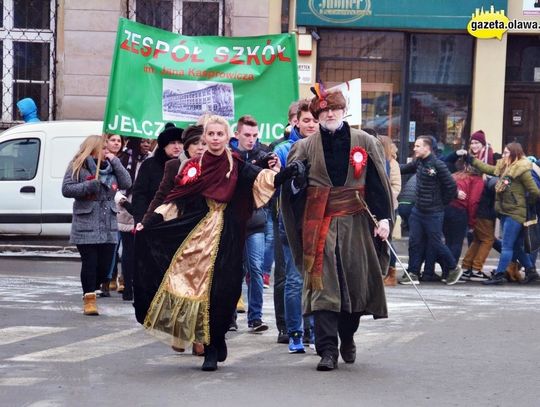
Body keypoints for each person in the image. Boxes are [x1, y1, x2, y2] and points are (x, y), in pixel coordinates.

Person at [133, 115, 303, 371]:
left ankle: (219, 336)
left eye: (219, 134)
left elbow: (260, 179)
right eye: (210, 135)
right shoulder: (194, 166)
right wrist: (150, 221)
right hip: (196, 238)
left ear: (227, 137)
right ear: (204, 138)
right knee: (198, 290)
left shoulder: (235, 164)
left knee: (226, 290)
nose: (214, 139)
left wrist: (286, 173)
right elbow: (176, 198)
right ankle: (208, 346)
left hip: (229, 235)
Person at [281, 88, 394, 371]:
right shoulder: (306, 146)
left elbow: (378, 185)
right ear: (317, 116)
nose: (329, 114)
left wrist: (384, 220)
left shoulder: (366, 142)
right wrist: (296, 180)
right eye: (322, 111)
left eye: (334, 109)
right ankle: (327, 351)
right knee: (324, 289)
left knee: (353, 286)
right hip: (319, 224)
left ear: (344, 112)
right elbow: (294, 192)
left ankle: (348, 336)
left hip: (356, 223)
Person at [61, 135, 131, 315]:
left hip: (108, 223)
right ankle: (89, 299)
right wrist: (88, 185)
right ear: (93, 149)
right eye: (104, 149)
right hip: (87, 221)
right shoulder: (78, 165)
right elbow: (67, 189)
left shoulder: (110, 167)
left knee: (105, 266)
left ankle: (97, 284)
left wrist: (115, 162)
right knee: (90, 263)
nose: (106, 151)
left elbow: (126, 183)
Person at [274, 99, 319, 353]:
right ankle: (295, 333)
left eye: (315, 120)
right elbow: (277, 185)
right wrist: (292, 176)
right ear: (296, 122)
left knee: (316, 279)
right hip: (291, 222)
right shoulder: (284, 148)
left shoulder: (325, 146)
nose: (311, 125)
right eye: (306, 120)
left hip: (320, 221)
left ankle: (312, 329)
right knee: (294, 279)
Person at [468, 142, 540, 284]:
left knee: (507, 246)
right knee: (515, 246)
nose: (503, 155)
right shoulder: (505, 167)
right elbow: (489, 169)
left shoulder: (522, 170)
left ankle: (499, 275)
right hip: (506, 212)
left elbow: (535, 192)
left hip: (515, 213)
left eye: (506, 152)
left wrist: (526, 204)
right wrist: (472, 160)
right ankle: (531, 272)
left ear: (514, 154)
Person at [399, 136, 462, 285]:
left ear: (427, 148)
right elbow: (402, 169)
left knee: (436, 243)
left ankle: (453, 268)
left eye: (417, 146)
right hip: (417, 211)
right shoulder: (419, 163)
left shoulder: (438, 165)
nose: (414, 149)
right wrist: (387, 165)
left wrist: (441, 203)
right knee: (414, 242)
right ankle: (413, 273)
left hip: (434, 213)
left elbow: (451, 186)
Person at [229, 115, 271, 332]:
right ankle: (230, 317)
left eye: (255, 135)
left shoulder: (264, 154)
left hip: (255, 221)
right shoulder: (229, 156)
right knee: (234, 270)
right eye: (247, 135)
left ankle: (255, 317)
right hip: (233, 222)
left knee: (255, 269)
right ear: (237, 134)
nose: (251, 139)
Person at [115, 137, 152, 301]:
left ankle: (139, 285)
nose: (146, 145)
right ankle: (127, 286)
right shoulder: (123, 159)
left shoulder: (151, 160)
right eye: (143, 141)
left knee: (142, 251)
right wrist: (122, 201)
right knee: (129, 251)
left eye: (149, 142)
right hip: (126, 208)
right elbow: (114, 184)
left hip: (144, 210)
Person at [131, 123, 183, 225]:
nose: (177, 146)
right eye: (172, 143)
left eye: (180, 142)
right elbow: (139, 195)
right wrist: (141, 220)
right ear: (164, 146)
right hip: (153, 221)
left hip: (180, 221)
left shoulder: (190, 165)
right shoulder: (149, 165)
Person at [378, 135, 401, 286]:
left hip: (390, 207)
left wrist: (383, 197)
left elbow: (396, 186)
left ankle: (392, 271)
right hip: (379, 206)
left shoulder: (392, 163)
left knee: (387, 240)